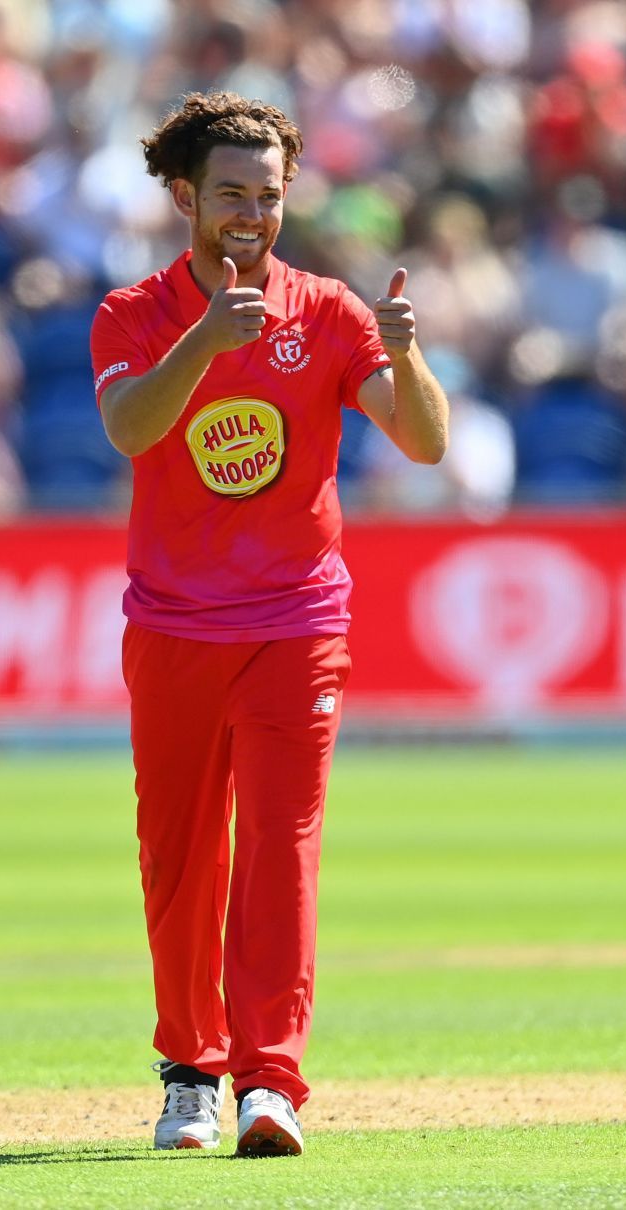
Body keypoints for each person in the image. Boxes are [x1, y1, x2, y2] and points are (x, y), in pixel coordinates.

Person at [90, 93, 450, 1157]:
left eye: (270, 196)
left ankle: (270, 1082)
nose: (252, 215)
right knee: (181, 856)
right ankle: (190, 1073)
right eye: (232, 195)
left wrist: (407, 353)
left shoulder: (328, 310)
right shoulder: (134, 312)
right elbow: (129, 428)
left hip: (300, 619)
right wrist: (205, 339)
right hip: (175, 626)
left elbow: (424, 442)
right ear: (186, 197)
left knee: (283, 851)